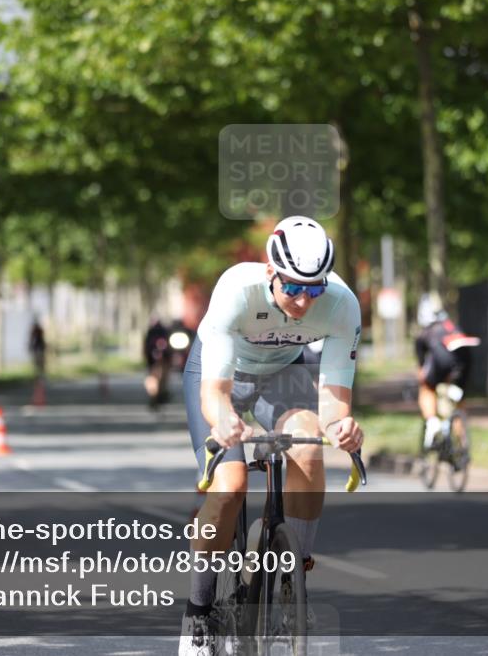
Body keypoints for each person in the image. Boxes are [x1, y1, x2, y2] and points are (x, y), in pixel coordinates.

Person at [179, 216, 363, 656]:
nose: (304, 299)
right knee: (231, 485)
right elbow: (217, 396)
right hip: (220, 373)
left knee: (309, 446)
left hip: (283, 372)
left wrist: (343, 426)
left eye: (314, 288)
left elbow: (334, 402)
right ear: (270, 272)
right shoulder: (236, 292)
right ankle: (199, 614)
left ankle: (291, 581)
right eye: (293, 287)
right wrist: (224, 421)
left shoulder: (341, 305)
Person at [414, 295, 480, 452]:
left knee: (426, 388)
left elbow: (422, 370)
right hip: (465, 360)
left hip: (441, 358)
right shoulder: (452, 326)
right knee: (458, 400)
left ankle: (432, 422)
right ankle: (462, 445)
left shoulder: (424, 334)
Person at [144, 317, 173, 407]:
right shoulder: (154, 334)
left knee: (159, 375)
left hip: (160, 358)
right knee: (154, 376)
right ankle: (155, 395)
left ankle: (159, 393)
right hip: (155, 358)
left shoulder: (159, 333)